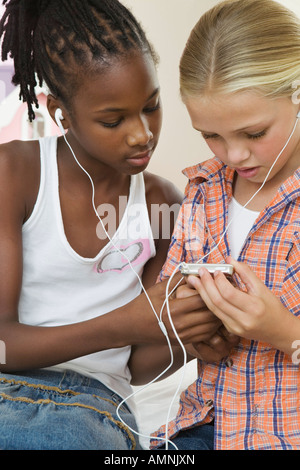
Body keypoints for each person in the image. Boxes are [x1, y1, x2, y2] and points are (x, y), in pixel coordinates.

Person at [0, 0, 233, 450]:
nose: (142, 133)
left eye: (152, 106)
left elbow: (140, 367)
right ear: (59, 112)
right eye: (113, 120)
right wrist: (129, 322)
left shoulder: (165, 204)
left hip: (98, 408)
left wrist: (188, 333)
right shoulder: (15, 173)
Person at [151, 0, 300, 450]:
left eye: (254, 133)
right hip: (206, 425)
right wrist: (199, 337)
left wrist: (282, 333)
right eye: (211, 135)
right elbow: (171, 313)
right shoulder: (203, 190)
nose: (233, 155)